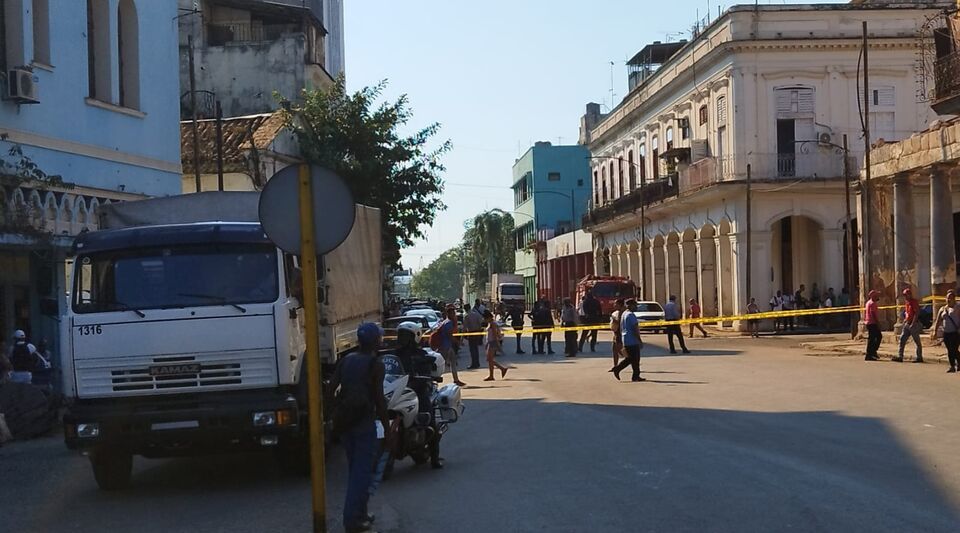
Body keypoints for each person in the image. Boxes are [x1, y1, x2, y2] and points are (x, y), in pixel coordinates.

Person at [331, 323, 389, 533]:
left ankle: (362, 513)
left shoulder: (346, 360)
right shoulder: (375, 364)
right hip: (364, 424)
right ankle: (352, 521)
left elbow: (331, 389)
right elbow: (379, 400)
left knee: (356, 469)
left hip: (346, 424)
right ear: (376, 341)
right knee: (362, 474)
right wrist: (388, 429)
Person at [394, 322, 444, 469]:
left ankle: (435, 458)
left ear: (415, 337)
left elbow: (428, 368)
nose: (403, 339)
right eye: (401, 335)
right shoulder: (394, 354)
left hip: (418, 391)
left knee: (429, 421)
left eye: (406, 336)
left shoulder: (421, 354)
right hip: (399, 391)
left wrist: (424, 370)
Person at [610, 299, 645, 382]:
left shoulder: (624, 314)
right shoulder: (631, 315)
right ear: (630, 305)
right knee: (633, 359)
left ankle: (635, 375)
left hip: (626, 339)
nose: (636, 307)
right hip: (632, 340)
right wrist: (639, 340)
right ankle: (618, 369)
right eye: (635, 305)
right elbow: (635, 329)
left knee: (633, 359)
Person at [932, 290, 960, 372]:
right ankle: (952, 366)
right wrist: (935, 331)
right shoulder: (943, 309)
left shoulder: (958, 307)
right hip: (946, 333)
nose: (948, 300)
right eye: (947, 298)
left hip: (955, 332)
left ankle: (958, 362)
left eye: (950, 298)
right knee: (949, 349)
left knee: (953, 349)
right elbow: (938, 321)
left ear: (954, 299)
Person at [438, 309, 466, 386]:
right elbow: (449, 336)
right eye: (453, 313)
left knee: (453, 362)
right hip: (446, 346)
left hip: (446, 346)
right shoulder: (449, 323)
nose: (454, 315)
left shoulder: (445, 322)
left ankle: (456, 380)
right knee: (441, 364)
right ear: (449, 314)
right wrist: (458, 342)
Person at [895, 288, 923, 363]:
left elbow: (916, 313)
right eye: (904, 295)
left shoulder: (914, 302)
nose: (905, 296)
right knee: (902, 339)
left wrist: (913, 323)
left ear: (910, 294)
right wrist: (905, 320)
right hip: (907, 323)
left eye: (906, 295)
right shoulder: (907, 302)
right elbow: (907, 313)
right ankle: (900, 356)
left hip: (913, 324)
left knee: (917, 341)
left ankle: (919, 357)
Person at [482, 311, 511, 381]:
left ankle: (501, 369)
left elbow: (495, 335)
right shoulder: (490, 323)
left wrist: (497, 345)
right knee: (489, 359)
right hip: (490, 342)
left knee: (489, 359)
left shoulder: (493, 324)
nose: (484, 320)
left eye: (485, 318)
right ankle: (493, 374)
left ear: (488, 317)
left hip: (492, 342)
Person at [462, 303, 484, 370]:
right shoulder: (476, 314)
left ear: (465, 309)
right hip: (477, 332)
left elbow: (464, 327)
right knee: (476, 349)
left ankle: (474, 364)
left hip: (471, 333)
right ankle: (477, 363)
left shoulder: (467, 316)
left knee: (472, 349)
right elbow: (480, 323)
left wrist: (462, 337)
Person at [864, 290, 882, 361]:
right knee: (875, 337)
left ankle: (872, 352)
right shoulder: (872, 303)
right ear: (874, 296)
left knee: (873, 338)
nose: (878, 297)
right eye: (877, 295)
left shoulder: (868, 302)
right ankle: (870, 353)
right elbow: (873, 313)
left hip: (869, 323)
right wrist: (878, 322)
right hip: (872, 323)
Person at [610, 299, 626, 367]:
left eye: (616, 304)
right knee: (614, 350)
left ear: (620, 305)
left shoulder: (624, 313)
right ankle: (615, 365)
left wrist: (615, 321)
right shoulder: (615, 313)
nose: (614, 305)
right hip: (615, 333)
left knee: (620, 350)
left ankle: (630, 360)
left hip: (621, 333)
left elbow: (621, 323)